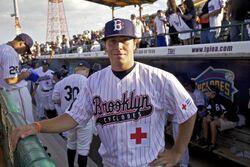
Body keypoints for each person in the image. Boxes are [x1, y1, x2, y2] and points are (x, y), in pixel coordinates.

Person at [11, 18, 197, 167]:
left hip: (149, 163)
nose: (118, 46)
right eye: (112, 41)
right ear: (106, 45)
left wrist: (177, 152)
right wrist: (37, 126)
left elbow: (188, 111)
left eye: (124, 40)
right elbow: (73, 117)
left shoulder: (160, 79)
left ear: (135, 43)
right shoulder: (94, 81)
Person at [52, 61, 95, 167]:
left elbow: (55, 99)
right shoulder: (90, 82)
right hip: (85, 120)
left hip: (68, 118)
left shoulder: (61, 82)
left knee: (71, 143)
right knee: (83, 149)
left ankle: (70, 166)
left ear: (76, 70)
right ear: (86, 70)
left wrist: (66, 103)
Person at [0, 33, 39, 123]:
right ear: (21, 43)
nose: (25, 52)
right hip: (16, 92)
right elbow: (10, 80)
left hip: (7, 92)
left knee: (14, 121)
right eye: (26, 49)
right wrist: (24, 75)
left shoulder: (2, 48)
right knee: (26, 122)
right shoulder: (10, 52)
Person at [199, 85, 239, 151]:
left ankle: (213, 144)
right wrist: (209, 115)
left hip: (231, 120)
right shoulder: (210, 100)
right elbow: (210, 111)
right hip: (220, 119)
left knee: (213, 123)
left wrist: (225, 115)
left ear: (213, 93)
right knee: (204, 119)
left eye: (207, 91)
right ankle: (205, 139)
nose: (205, 93)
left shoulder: (222, 100)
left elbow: (235, 108)